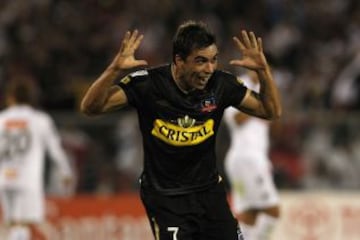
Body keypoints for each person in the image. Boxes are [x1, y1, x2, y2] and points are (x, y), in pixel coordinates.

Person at [80, 20, 281, 240]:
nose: (209, 69)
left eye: (213, 60)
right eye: (201, 61)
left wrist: (263, 71)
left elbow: (270, 111)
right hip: (166, 199)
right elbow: (91, 108)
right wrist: (114, 69)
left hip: (209, 194)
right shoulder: (149, 85)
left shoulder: (221, 85)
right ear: (179, 60)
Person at [0, 80, 73, 240]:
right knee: (23, 223)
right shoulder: (40, 120)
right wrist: (66, 171)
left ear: (10, 97)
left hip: (5, 177)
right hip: (27, 179)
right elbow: (55, 149)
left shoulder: (2, 119)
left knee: (12, 222)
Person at [224, 70, 280, 240]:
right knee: (273, 211)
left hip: (255, 158)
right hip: (246, 158)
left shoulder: (267, 89)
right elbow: (236, 120)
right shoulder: (239, 86)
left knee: (250, 215)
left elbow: (274, 123)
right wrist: (259, 100)